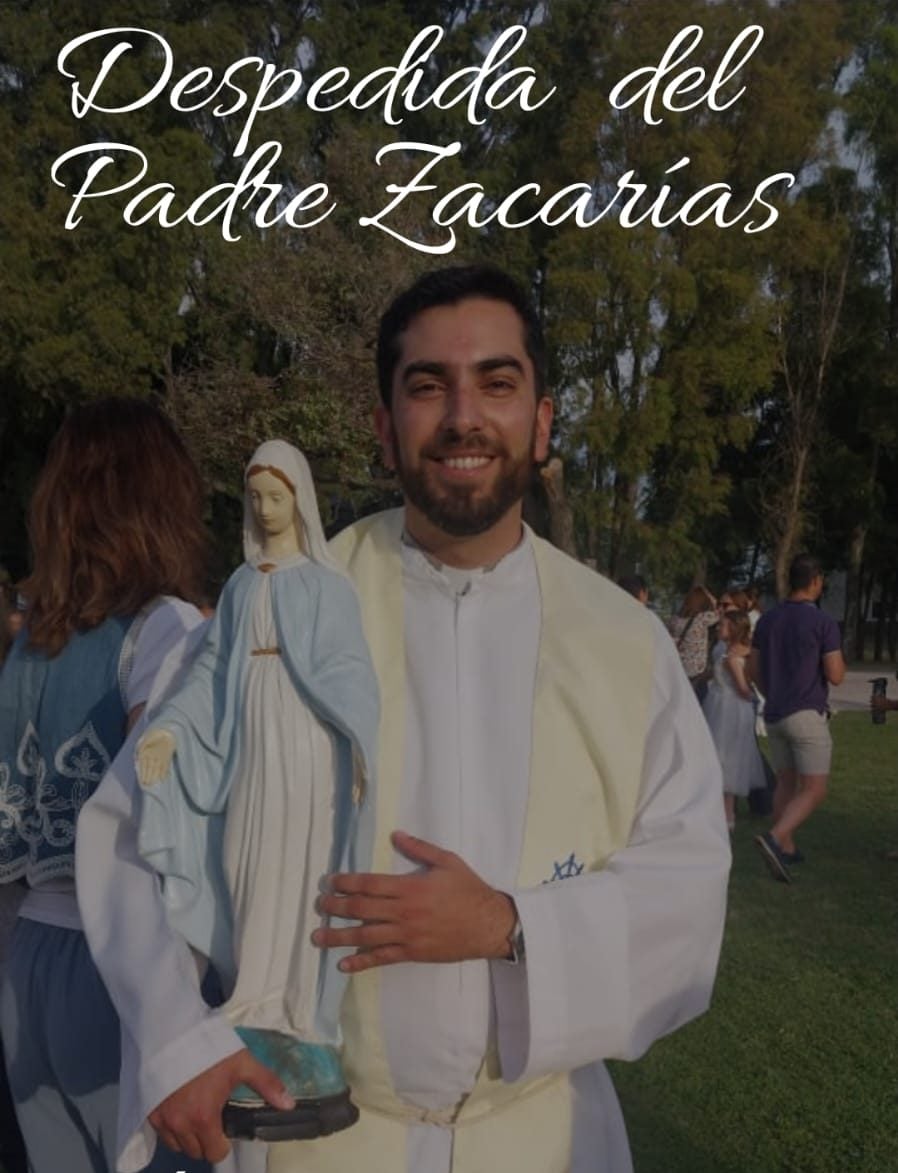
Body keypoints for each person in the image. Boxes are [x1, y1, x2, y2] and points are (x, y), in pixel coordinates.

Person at [79, 265, 730, 1173]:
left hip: (541, 1135)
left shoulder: (625, 641)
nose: (464, 416)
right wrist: (175, 1035)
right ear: (385, 429)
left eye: (497, 382)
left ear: (543, 421)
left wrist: (509, 923)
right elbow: (129, 828)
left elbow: (688, 888)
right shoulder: (293, 597)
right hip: (320, 1136)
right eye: (428, 386)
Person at [135, 440, 379, 1140]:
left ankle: (299, 1013)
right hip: (249, 743)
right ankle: (251, 996)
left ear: (299, 500)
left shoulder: (326, 585)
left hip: (307, 746)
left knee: (299, 872)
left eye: (277, 496)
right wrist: (170, 728)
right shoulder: (242, 586)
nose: (266, 510)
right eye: (256, 498)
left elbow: (350, 669)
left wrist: (356, 743)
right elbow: (211, 669)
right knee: (245, 863)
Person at [0, 399, 214, 1173]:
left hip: (27, 962)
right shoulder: (166, 628)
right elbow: (162, 818)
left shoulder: (32, 644)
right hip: (121, 966)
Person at [749, 553, 845, 882]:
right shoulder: (823, 622)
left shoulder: (767, 620)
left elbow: (752, 669)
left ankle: (786, 848)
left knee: (786, 782)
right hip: (805, 714)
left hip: (775, 713)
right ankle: (776, 838)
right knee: (815, 789)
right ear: (816, 581)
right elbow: (835, 675)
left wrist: (773, 692)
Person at [702, 609, 768, 831]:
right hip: (721, 705)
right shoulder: (723, 650)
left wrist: (752, 697)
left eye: (722, 625)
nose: (718, 628)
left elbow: (741, 688)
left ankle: (727, 812)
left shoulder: (732, 656)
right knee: (723, 754)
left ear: (733, 629)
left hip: (729, 708)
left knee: (728, 756)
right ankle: (724, 811)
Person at [669, 585, 718, 700]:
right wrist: (711, 598)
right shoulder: (702, 619)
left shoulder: (675, 620)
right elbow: (718, 613)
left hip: (679, 668)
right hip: (696, 672)